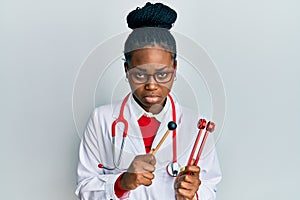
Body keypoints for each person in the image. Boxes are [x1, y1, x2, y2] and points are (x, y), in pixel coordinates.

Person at [76, 2, 221, 200]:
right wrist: (122, 183)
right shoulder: (101, 119)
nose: (151, 85)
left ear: (175, 69)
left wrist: (193, 194)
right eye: (140, 75)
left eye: (162, 75)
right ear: (127, 71)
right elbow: (85, 189)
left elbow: (210, 189)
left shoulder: (198, 128)